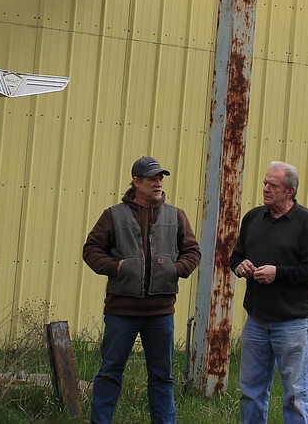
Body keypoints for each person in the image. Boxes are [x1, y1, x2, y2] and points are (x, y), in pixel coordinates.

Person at [82, 155, 201, 423]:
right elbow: (90, 250)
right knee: (110, 372)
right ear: (136, 182)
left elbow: (192, 251)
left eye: (161, 178)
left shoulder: (176, 215)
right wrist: (117, 267)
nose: (159, 183)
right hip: (121, 311)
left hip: (161, 313)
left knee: (162, 376)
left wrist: (176, 269)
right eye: (152, 179)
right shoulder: (113, 215)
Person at [230, 161, 308, 424]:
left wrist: (278, 273)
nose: (265, 189)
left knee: (295, 395)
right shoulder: (253, 218)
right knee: (251, 392)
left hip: (293, 323)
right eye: (265, 183)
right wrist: (240, 267)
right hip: (256, 321)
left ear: (289, 191)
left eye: (273, 185)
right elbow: (236, 256)